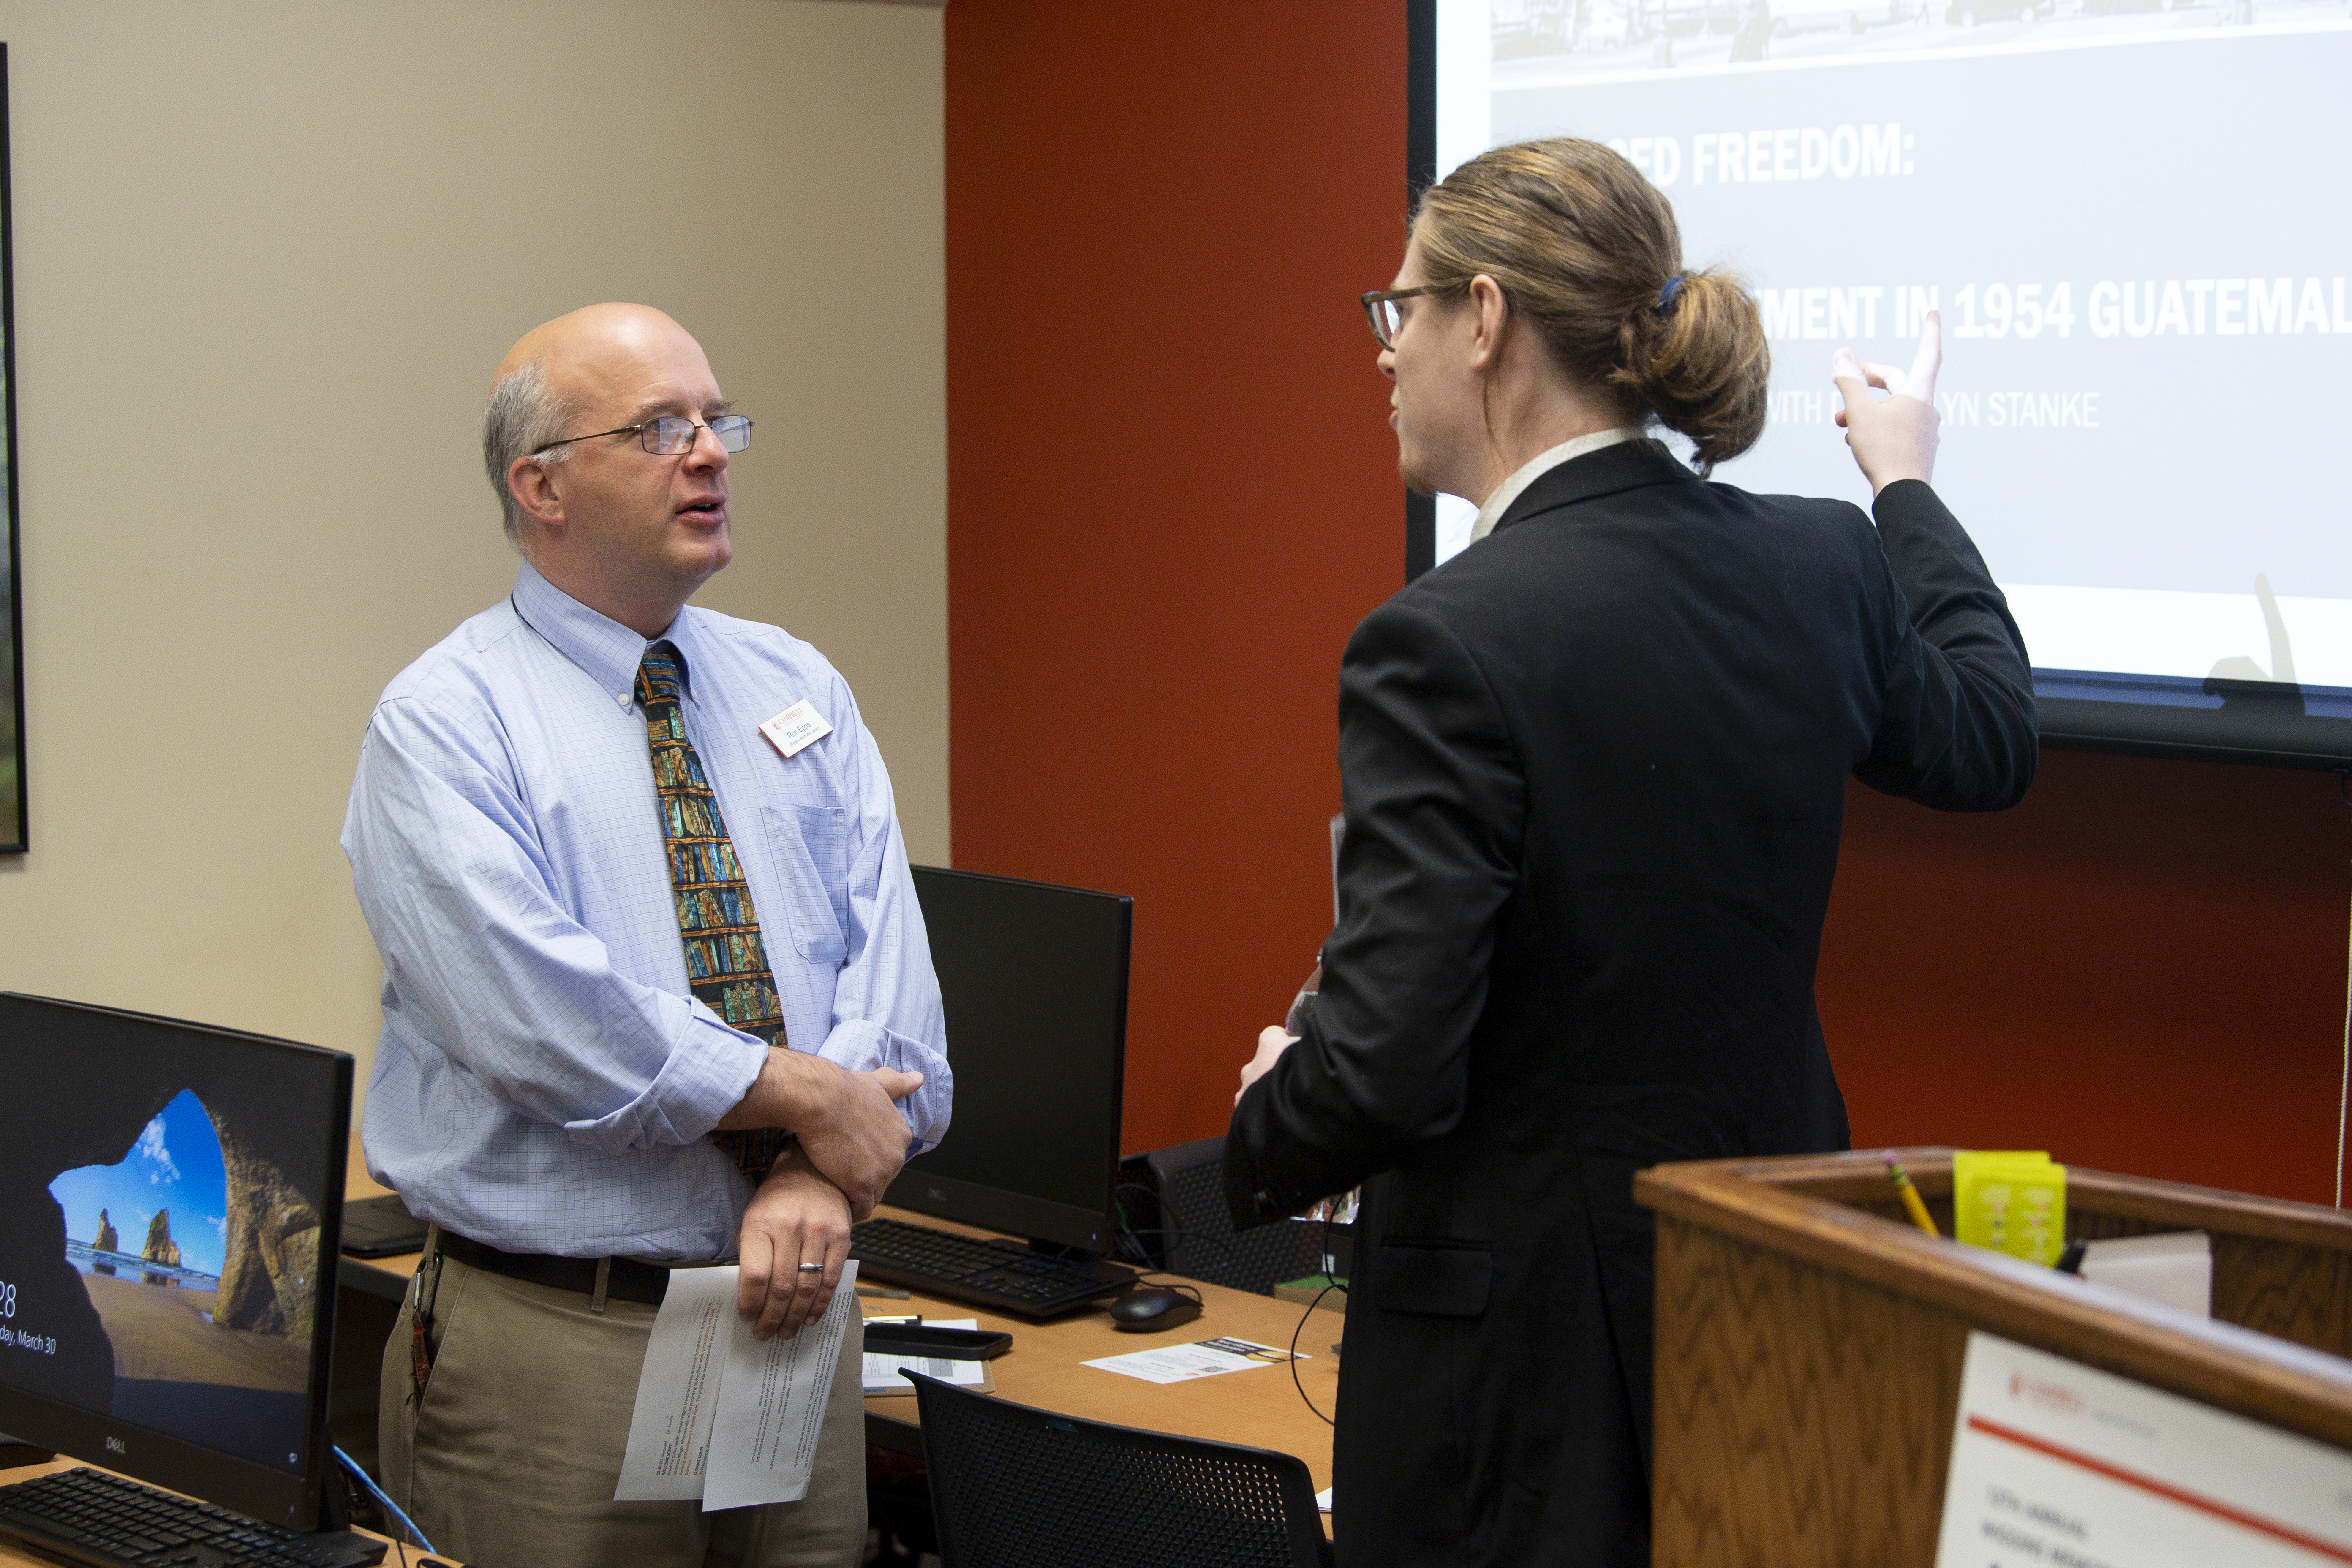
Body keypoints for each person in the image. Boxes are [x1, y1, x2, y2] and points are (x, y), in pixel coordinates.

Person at [1220, 140, 2035, 1568]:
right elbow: (1989, 738)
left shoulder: (1442, 638)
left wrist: (1271, 1118)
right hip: (1774, 1329)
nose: (1385, 352)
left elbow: (1391, 1068)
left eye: (1395, 310)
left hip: (1523, 1402)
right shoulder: (1823, 563)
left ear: (1485, 320)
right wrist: (1905, 488)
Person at [342, 303, 950, 1568]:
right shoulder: (445, 725)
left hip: (789, 1312)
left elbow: (892, 983)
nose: (712, 454)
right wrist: (807, 1096)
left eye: (718, 420)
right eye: (661, 429)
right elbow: (550, 1026)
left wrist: (812, 1168)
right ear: (541, 485)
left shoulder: (799, 687)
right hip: (567, 1338)